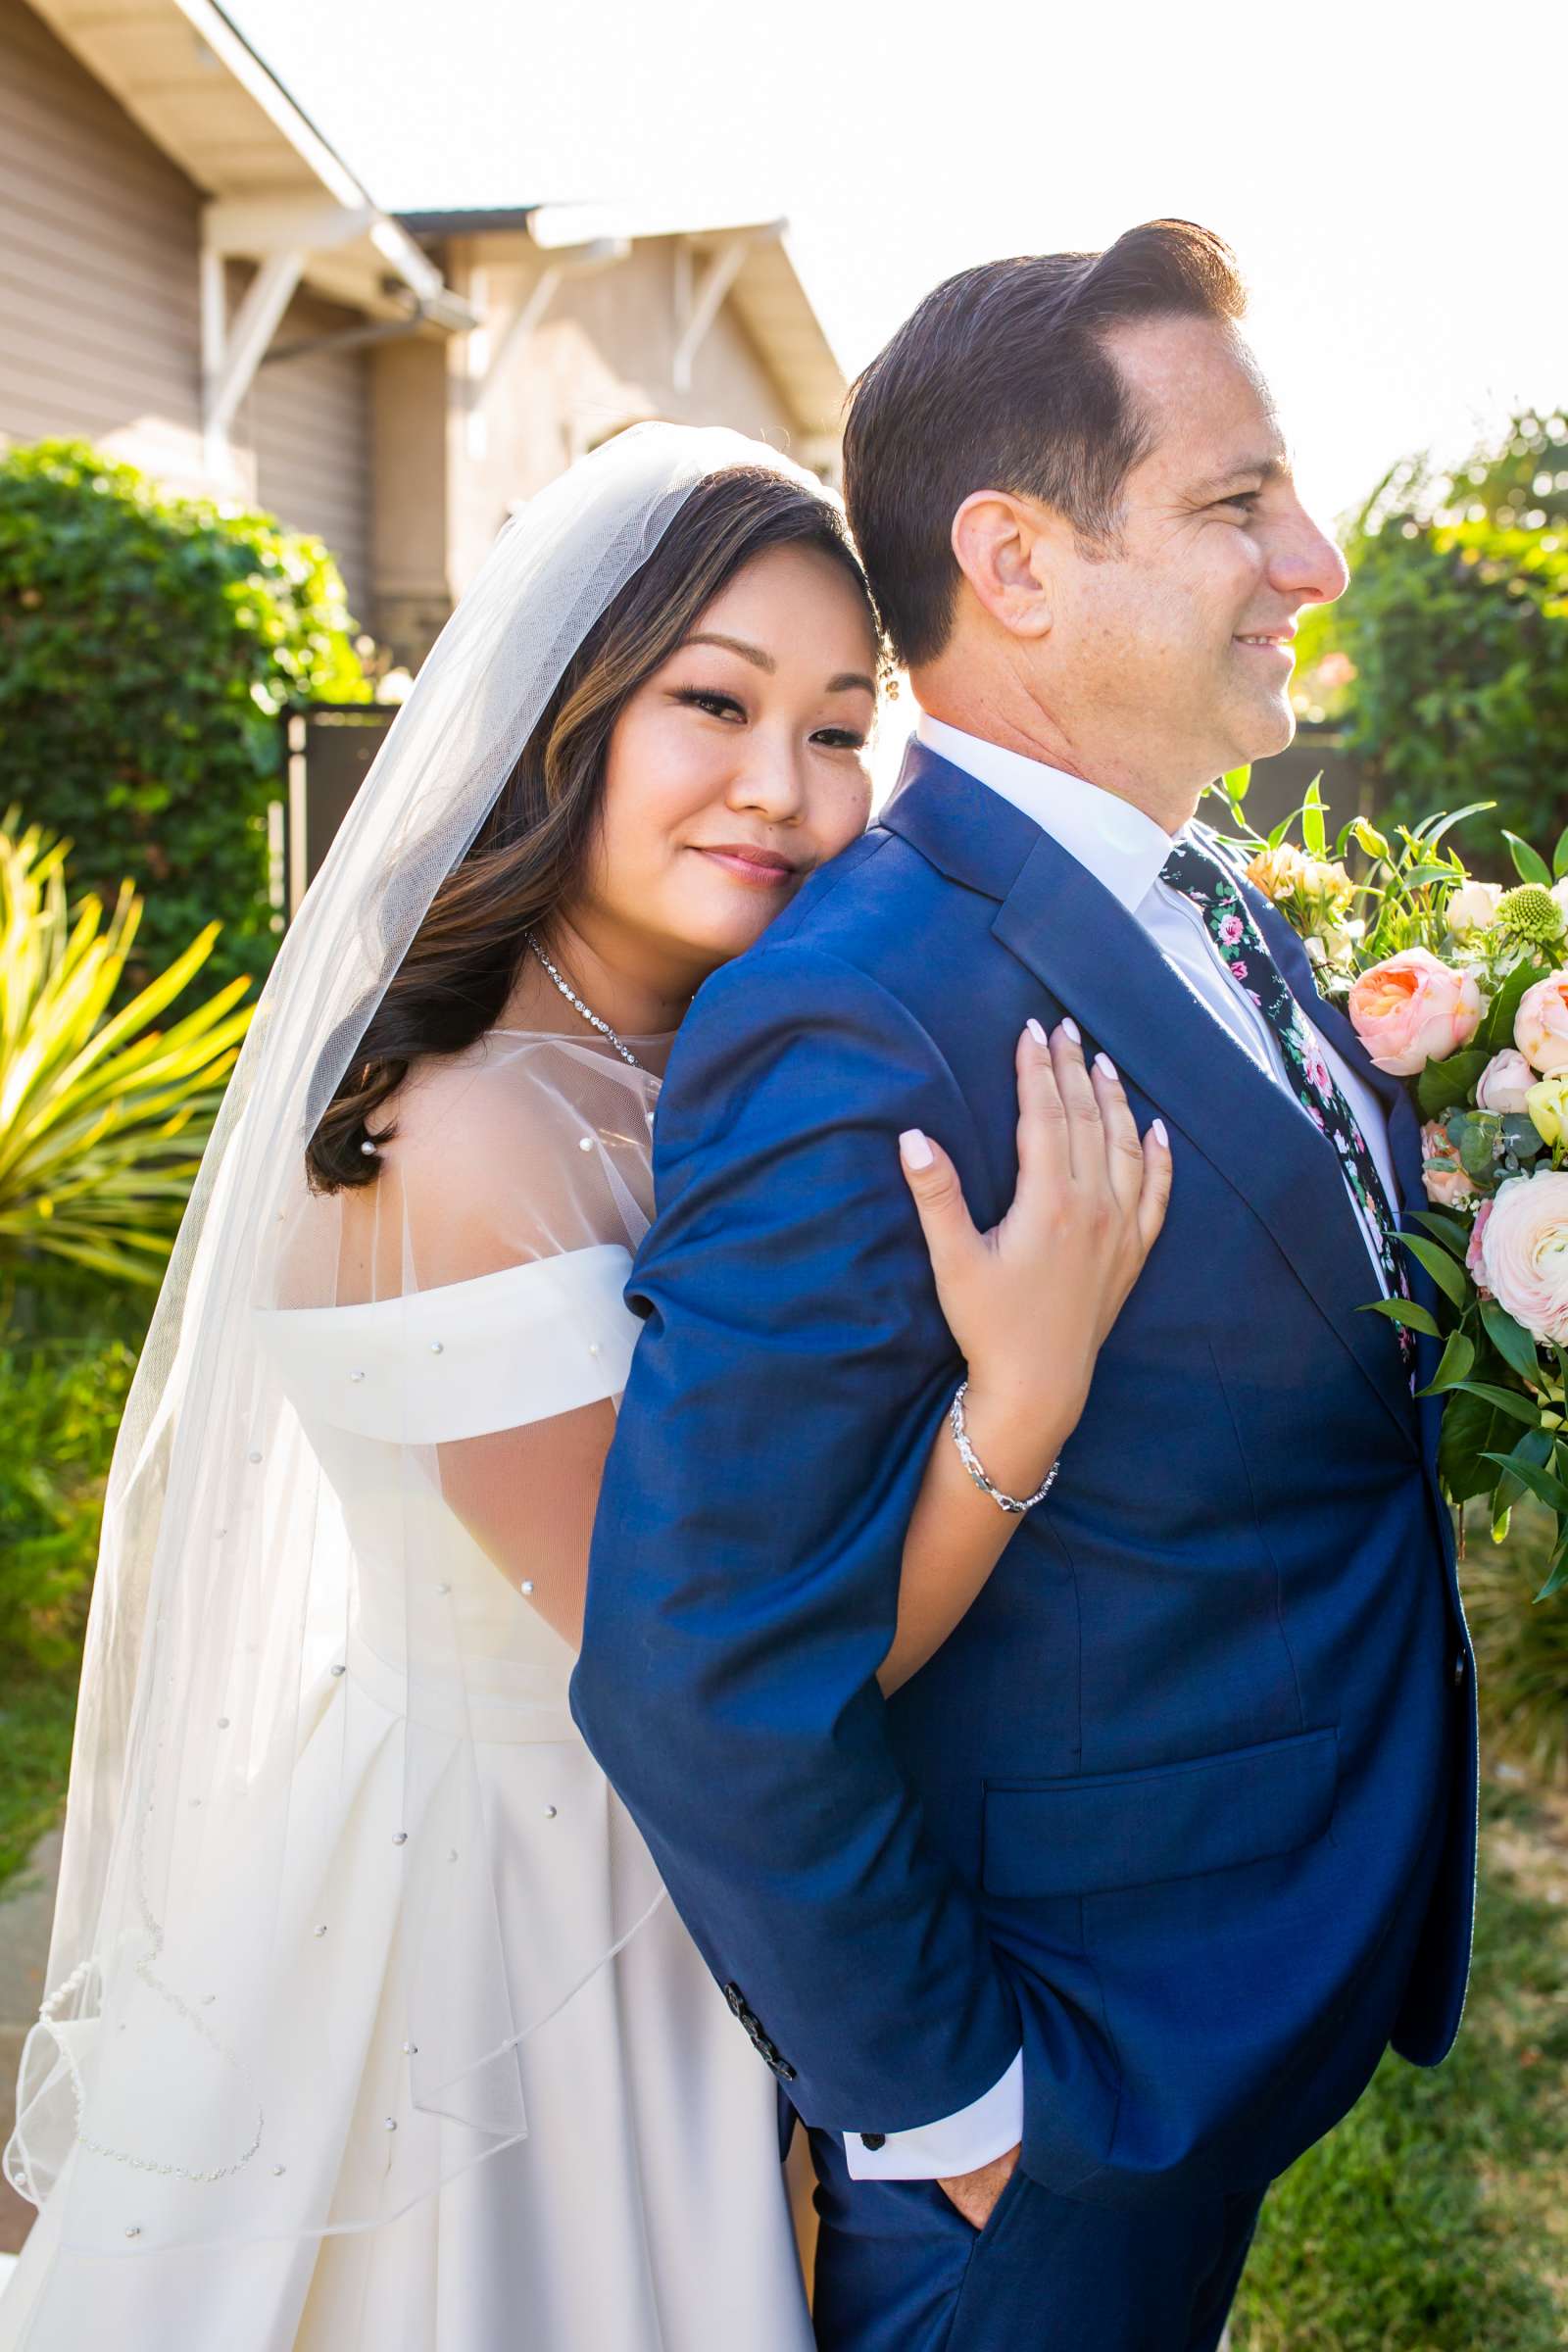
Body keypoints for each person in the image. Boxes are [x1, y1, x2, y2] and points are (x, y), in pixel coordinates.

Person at [0, 426, 1166, 2351]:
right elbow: (722, 1661)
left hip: (737, 1855)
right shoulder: (449, 1139)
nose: (780, 791)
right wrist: (1016, 1406)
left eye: (835, 728)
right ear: (566, 718)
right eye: (712, 703)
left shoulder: (728, 1063)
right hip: (526, 1931)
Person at [571, 223, 1478, 2352]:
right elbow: (697, 1666)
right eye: (1234, 501)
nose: (1314, 560)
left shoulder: (1205, 885)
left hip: (1230, 1984)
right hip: (1048, 2110)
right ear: (1016, 559)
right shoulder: (858, 1017)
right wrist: (961, 2113)